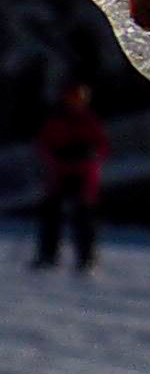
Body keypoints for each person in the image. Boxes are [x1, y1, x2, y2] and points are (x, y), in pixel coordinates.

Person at [33, 78, 104, 273]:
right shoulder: (56, 121)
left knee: (83, 219)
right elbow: (43, 145)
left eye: (79, 98)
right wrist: (57, 155)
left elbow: (102, 148)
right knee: (51, 216)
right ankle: (48, 255)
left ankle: (86, 258)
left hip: (83, 177)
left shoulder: (90, 121)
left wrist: (89, 153)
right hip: (58, 175)